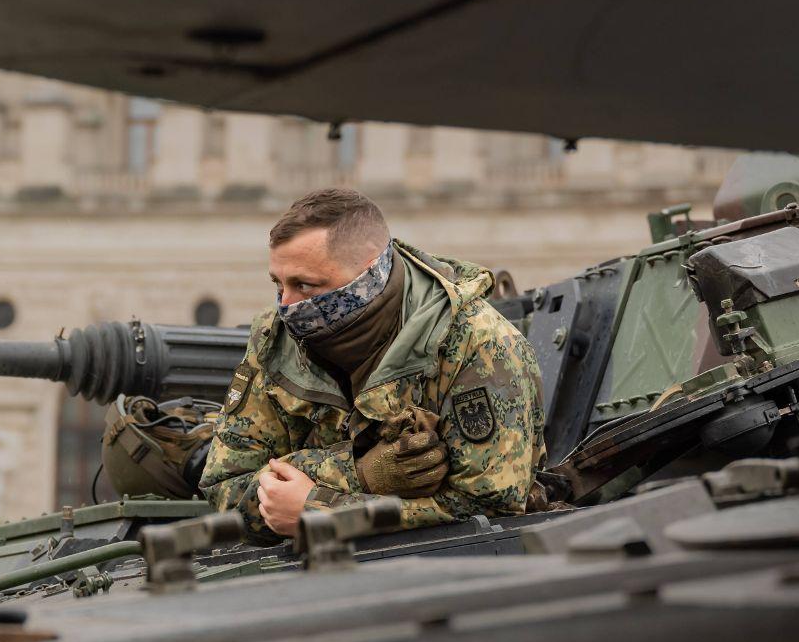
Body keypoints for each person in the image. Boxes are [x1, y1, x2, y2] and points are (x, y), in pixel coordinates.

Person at [200, 188, 545, 541]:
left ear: (368, 277)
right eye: (278, 283)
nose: (286, 304)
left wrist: (322, 510)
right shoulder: (275, 341)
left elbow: (491, 510)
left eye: (305, 285)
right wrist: (359, 474)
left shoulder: (478, 344)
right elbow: (224, 487)